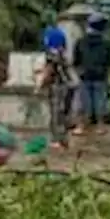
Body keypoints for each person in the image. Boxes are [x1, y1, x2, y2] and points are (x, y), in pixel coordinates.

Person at [72, 12, 110, 136]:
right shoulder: (106, 43)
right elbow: (109, 61)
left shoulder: (81, 41)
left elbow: (75, 60)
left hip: (84, 75)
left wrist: (79, 70)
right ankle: (100, 127)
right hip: (100, 76)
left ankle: (81, 126)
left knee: (82, 102)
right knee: (100, 102)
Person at [38, 20, 74, 150]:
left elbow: (49, 71)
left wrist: (40, 86)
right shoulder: (63, 55)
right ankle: (64, 139)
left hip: (57, 86)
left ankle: (56, 140)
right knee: (64, 113)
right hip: (68, 85)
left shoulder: (51, 55)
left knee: (55, 113)